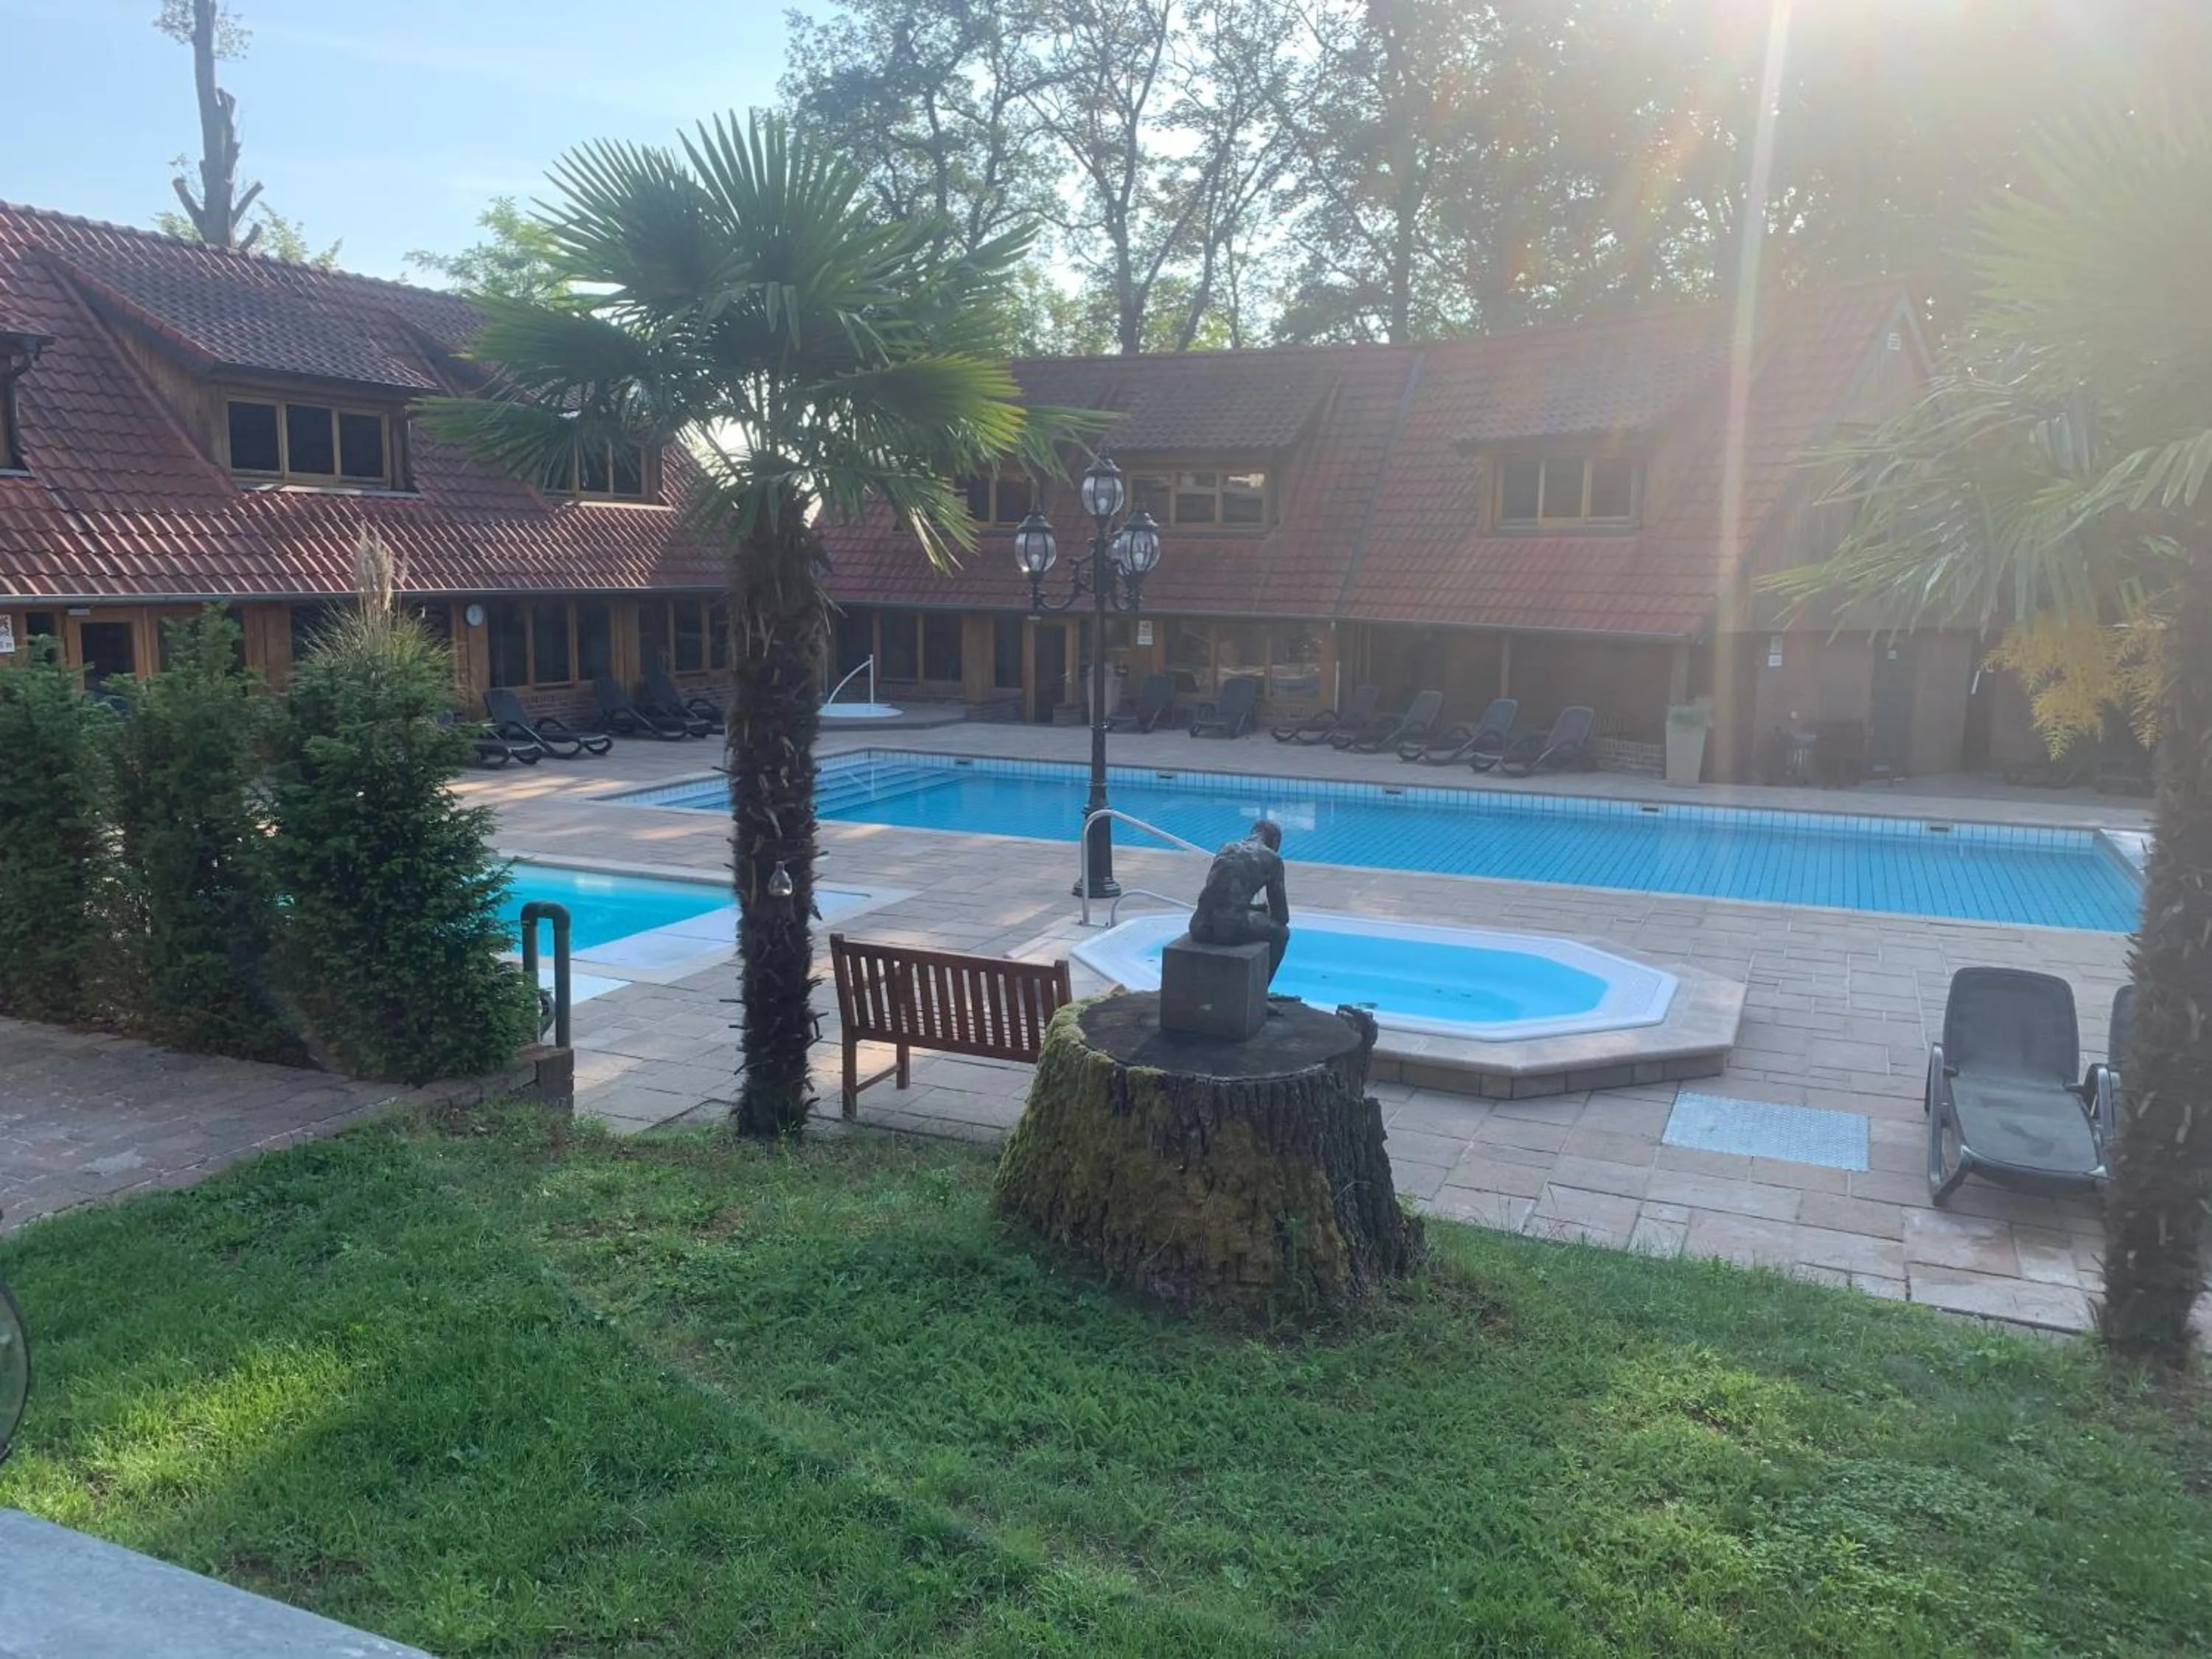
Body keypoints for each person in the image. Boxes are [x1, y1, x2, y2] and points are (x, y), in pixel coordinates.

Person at [1188, 818, 1290, 984]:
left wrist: (1254, 908)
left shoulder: (1226, 848)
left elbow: (1221, 896)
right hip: (1229, 930)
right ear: (1276, 841)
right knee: (1282, 933)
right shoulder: (1273, 859)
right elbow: (1281, 916)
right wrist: (1264, 912)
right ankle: (1260, 993)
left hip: (1199, 925)